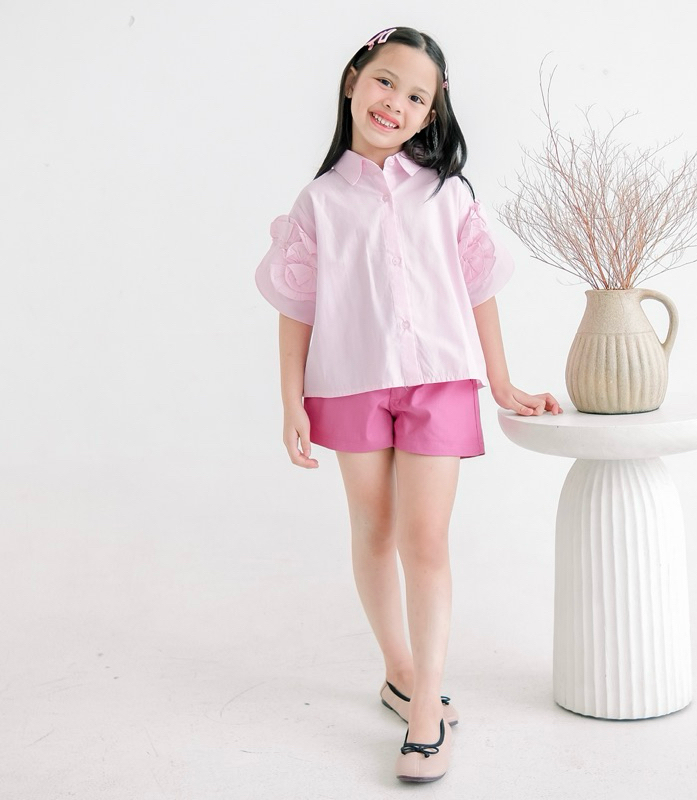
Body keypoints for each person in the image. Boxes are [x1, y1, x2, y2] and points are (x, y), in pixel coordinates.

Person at [254, 25, 562, 783]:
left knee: (426, 540)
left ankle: (427, 705)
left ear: (432, 112)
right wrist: (291, 403)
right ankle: (397, 670)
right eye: (386, 81)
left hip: (439, 380)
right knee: (374, 529)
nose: (396, 102)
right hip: (351, 380)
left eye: (417, 96)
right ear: (354, 80)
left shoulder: (447, 193)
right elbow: (296, 308)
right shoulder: (320, 201)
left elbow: (480, 292)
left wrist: (502, 383)